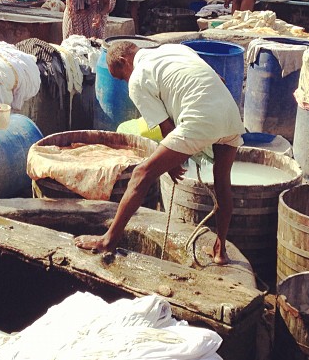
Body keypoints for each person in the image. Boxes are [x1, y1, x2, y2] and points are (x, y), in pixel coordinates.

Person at [74, 41, 245, 265]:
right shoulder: (175, 49)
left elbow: (166, 128)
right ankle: (220, 251)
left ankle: (108, 240)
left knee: (141, 174)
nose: (125, 82)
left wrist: (172, 164)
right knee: (222, 182)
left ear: (125, 62)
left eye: (121, 77)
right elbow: (218, 80)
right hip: (230, 113)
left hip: (200, 116)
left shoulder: (137, 78)